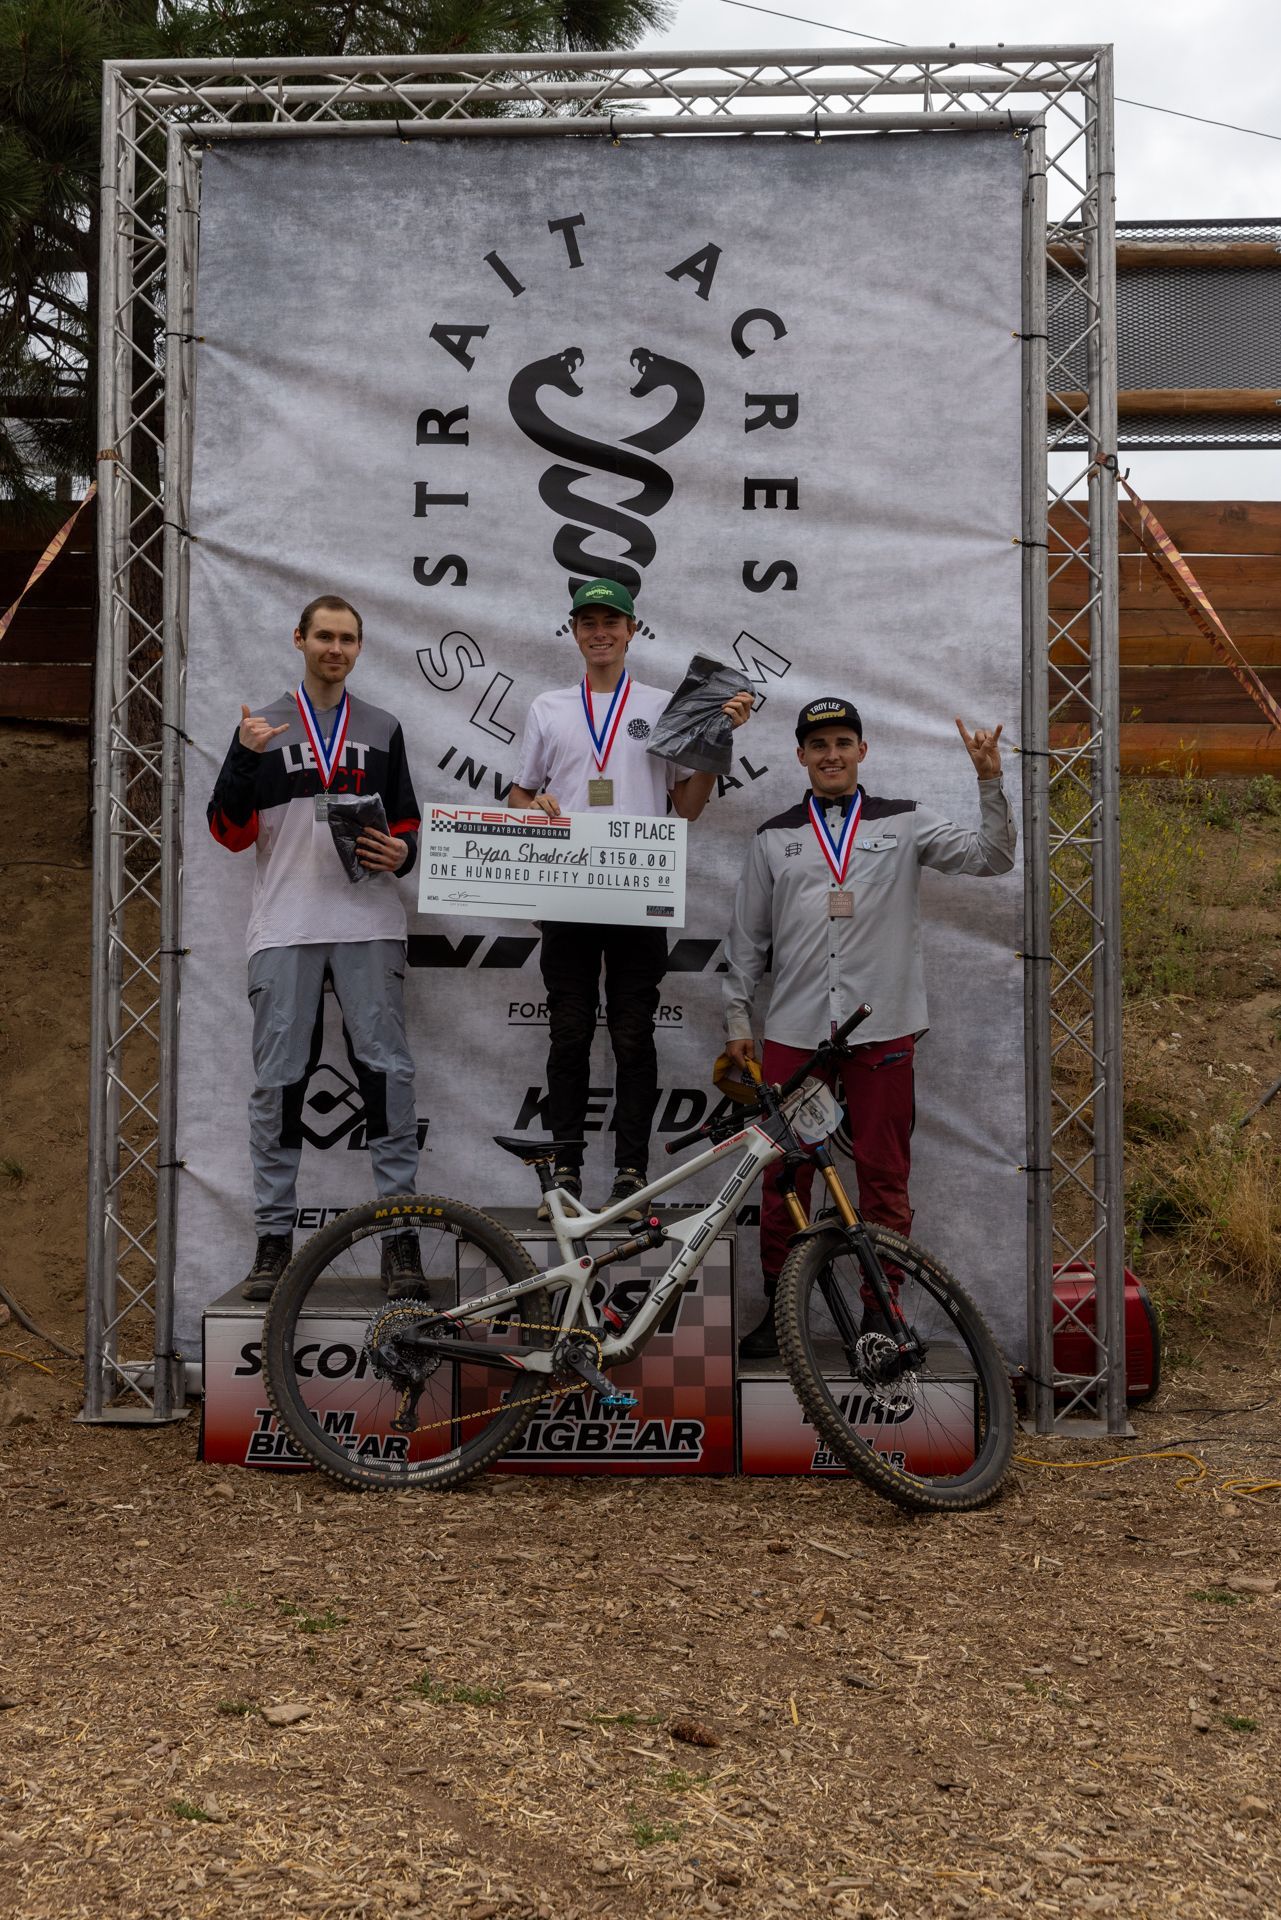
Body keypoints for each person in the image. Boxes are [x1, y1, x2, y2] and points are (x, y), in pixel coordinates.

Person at [722, 696, 1017, 1358]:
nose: (830, 754)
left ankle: (881, 1312)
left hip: (880, 1031)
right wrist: (737, 1016)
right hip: (795, 1033)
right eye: (817, 744)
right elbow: (746, 938)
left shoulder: (903, 822)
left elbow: (992, 858)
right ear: (800, 755)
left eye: (842, 742)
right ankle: (781, 1308)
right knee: (782, 1179)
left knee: (883, 1178)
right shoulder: (774, 836)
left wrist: (989, 780)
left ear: (861, 751)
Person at [509, 577, 753, 1219]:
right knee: (567, 1034)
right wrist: (535, 807)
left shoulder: (666, 705)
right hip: (566, 892)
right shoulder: (547, 707)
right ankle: (563, 1175)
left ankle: (629, 1175)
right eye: (588, 621)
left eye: (611, 621)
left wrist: (716, 742)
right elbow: (516, 798)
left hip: (639, 894)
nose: (600, 632)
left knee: (632, 1036)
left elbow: (690, 808)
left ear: (632, 630)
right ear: (574, 630)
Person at [208, 593, 425, 1302]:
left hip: (368, 925)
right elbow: (228, 832)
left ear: (359, 649)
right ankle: (273, 1245)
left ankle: (400, 1246)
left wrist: (401, 851)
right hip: (286, 927)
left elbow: (409, 829)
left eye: (348, 639)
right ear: (299, 638)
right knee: (277, 1085)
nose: (336, 648)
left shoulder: (383, 728)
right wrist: (243, 759)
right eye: (324, 636)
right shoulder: (262, 728)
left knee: (386, 1079)